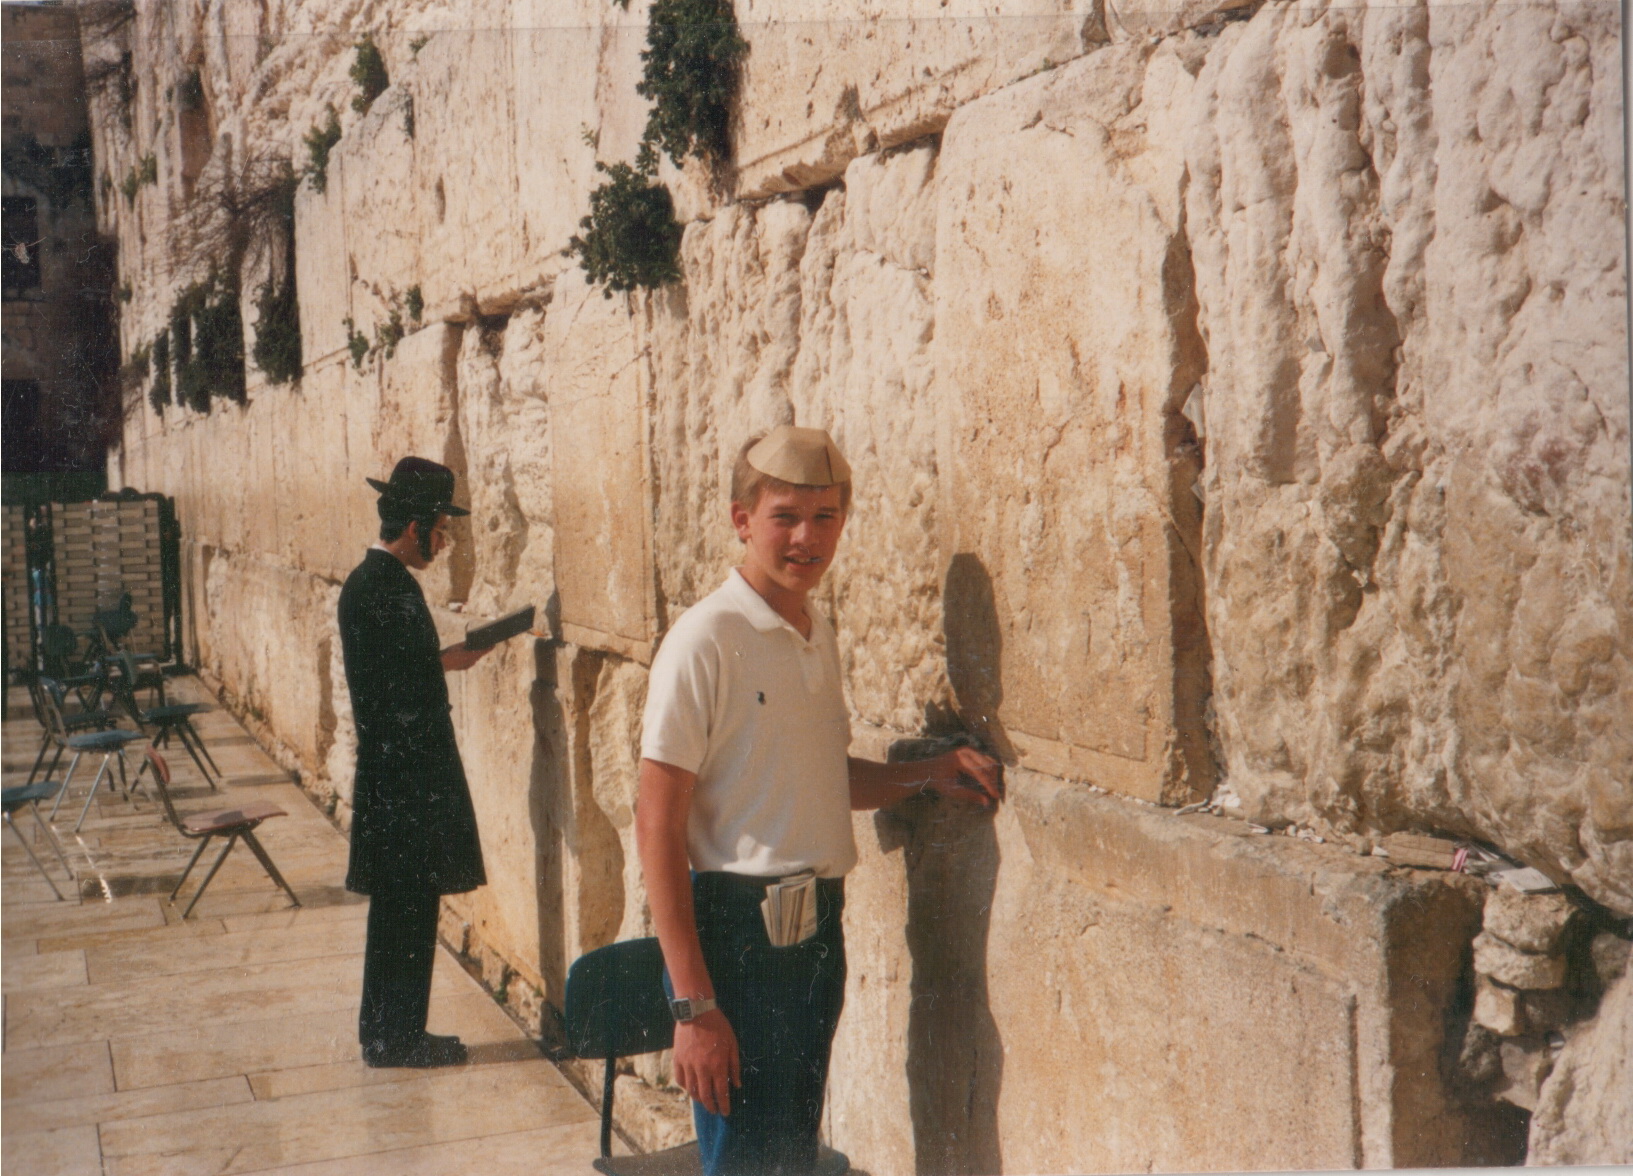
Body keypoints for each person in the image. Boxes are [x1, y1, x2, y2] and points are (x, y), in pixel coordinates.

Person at [636, 425, 1003, 1176]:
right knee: (744, 1163)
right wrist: (693, 1007)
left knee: (790, 1157)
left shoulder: (812, 627)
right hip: (735, 937)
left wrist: (928, 773)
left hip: (813, 933)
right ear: (742, 520)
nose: (807, 538)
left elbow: (823, 778)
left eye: (826, 517)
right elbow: (655, 826)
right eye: (785, 517)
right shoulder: (704, 639)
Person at [339, 456, 490, 1068]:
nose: (444, 542)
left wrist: (443, 660)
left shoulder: (371, 583)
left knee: (399, 911)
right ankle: (397, 1038)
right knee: (409, 910)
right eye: (440, 530)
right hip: (407, 778)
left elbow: (394, 674)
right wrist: (441, 664)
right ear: (413, 527)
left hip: (393, 775)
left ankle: (387, 1033)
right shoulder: (386, 587)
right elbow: (393, 691)